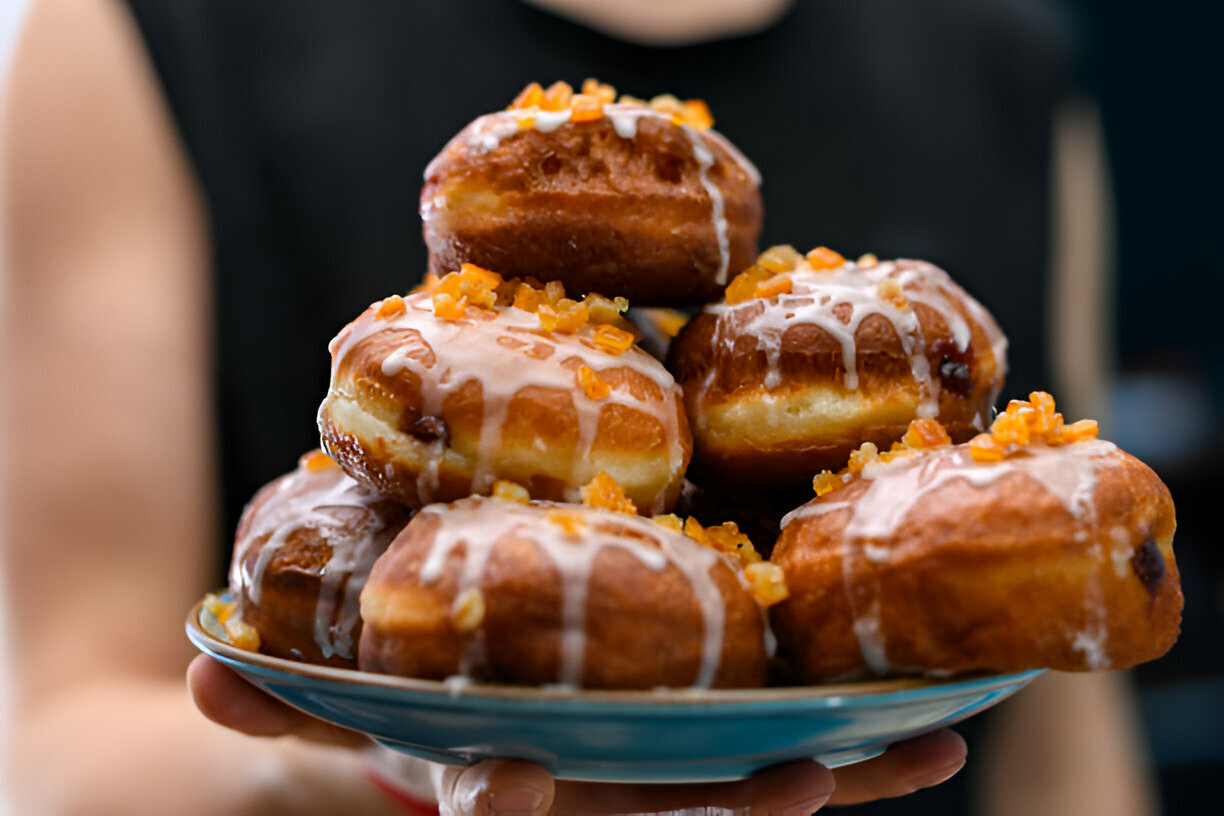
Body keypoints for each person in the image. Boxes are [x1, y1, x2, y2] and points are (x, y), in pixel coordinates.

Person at [0, 0, 1155, 813]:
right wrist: (365, 775)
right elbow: (63, 746)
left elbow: (1061, 734)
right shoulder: (149, 26)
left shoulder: (1000, 60)